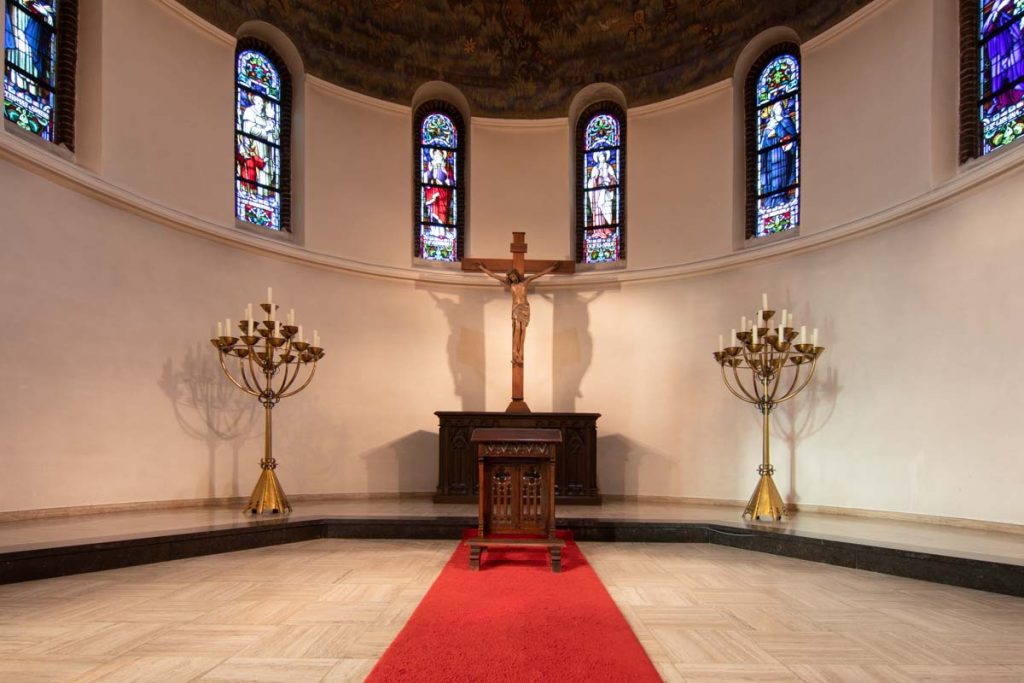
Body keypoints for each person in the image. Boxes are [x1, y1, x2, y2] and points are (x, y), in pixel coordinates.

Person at [478, 263, 558, 365]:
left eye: (513, 276)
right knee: (517, 329)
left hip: (525, 308)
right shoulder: (510, 284)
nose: (513, 278)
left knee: (523, 330)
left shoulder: (525, 282)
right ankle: (514, 351)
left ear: (516, 274)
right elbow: (493, 275)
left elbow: (539, 274)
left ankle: (520, 353)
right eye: (511, 277)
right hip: (516, 308)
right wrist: (481, 268)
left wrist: (552, 268)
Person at [982, 0, 1024, 114]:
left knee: (1014, 66)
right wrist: (995, 15)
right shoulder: (997, 17)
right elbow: (985, 29)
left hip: (1010, 40)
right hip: (998, 46)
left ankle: (1015, 95)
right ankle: (1000, 101)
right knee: (1000, 70)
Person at [759, 101, 797, 206]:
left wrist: (781, 133)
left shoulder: (787, 121)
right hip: (771, 158)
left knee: (782, 176)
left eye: (779, 107)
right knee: (772, 177)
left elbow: (792, 137)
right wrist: (769, 131)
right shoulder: (769, 125)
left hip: (783, 156)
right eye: (775, 109)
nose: (778, 110)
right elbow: (763, 145)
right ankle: (771, 200)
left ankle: (782, 198)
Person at [587, 150, 617, 233]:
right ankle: (598, 230)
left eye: (603, 156)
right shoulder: (595, 168)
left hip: (606, 192)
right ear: (598, 158)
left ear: (605, 157)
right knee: (598, 210)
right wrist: (595, 178)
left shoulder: (608, 167)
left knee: (606, 208)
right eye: (600, 156)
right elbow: (591, 181)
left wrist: (609, 182)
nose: (602, 158)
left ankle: (606, 227)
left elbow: (613, 179)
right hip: (597, 192)